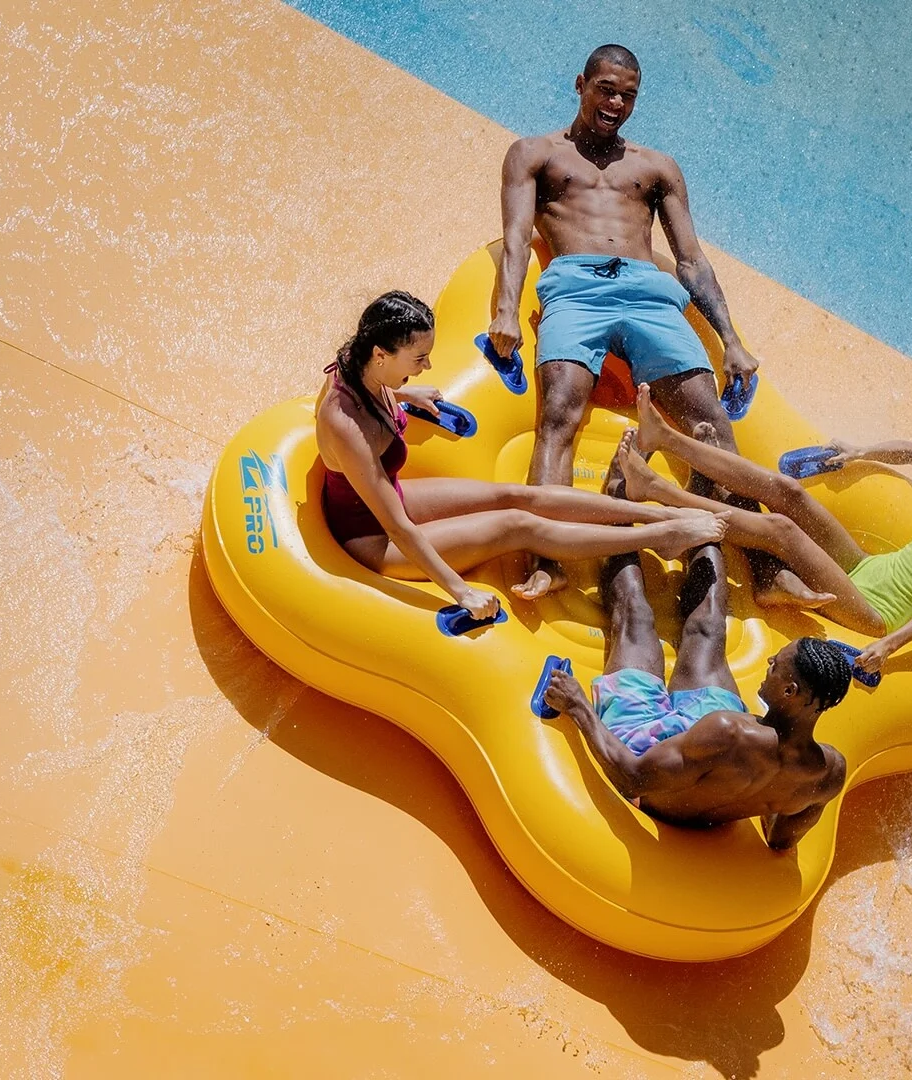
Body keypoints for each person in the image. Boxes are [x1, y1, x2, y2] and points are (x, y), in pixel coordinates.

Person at [489, 43, 824, 610]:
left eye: (628, 95)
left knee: (711, 425)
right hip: (575, 289)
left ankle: (764, 570)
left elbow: (691, 259)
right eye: (606, 89)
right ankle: (548, 561)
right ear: (581, 84)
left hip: (650, 297)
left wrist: (732, 341)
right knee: (558, 415)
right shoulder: (534, 154)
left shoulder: (656, 167)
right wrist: (504, 309)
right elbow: (518, 237)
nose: (616, 103)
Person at [316, 291, 725, 624]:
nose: (428, 366)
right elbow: (399, 528)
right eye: (419, 359)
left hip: (389, 500)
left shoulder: (358, 361)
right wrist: (463, 593)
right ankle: (662, 537)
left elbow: (370, 391)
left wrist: (402, 393)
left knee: (514, 494)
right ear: (381, 354)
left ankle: (662, 515)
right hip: (376, 540)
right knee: (518, 524)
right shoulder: (348, 429)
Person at [610, 384, 912, 674]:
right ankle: (664, 438)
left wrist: (891, 646)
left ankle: (653, 489)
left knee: (781, 529)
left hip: (875, 611)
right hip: (866, 568)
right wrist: (861, 452)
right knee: (789, 492)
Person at [541, 542, 851, 850]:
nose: (769, 663)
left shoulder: (730, 731)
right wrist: (765, 794)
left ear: (789, 691)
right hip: (705, 744)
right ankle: (703, 529)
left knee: (635, 617)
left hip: (643, 747)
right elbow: (781, 839)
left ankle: (620, 515)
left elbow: (632, 777)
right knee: (709, 627)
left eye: (776, 665)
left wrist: (577, 705)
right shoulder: (829, 772)